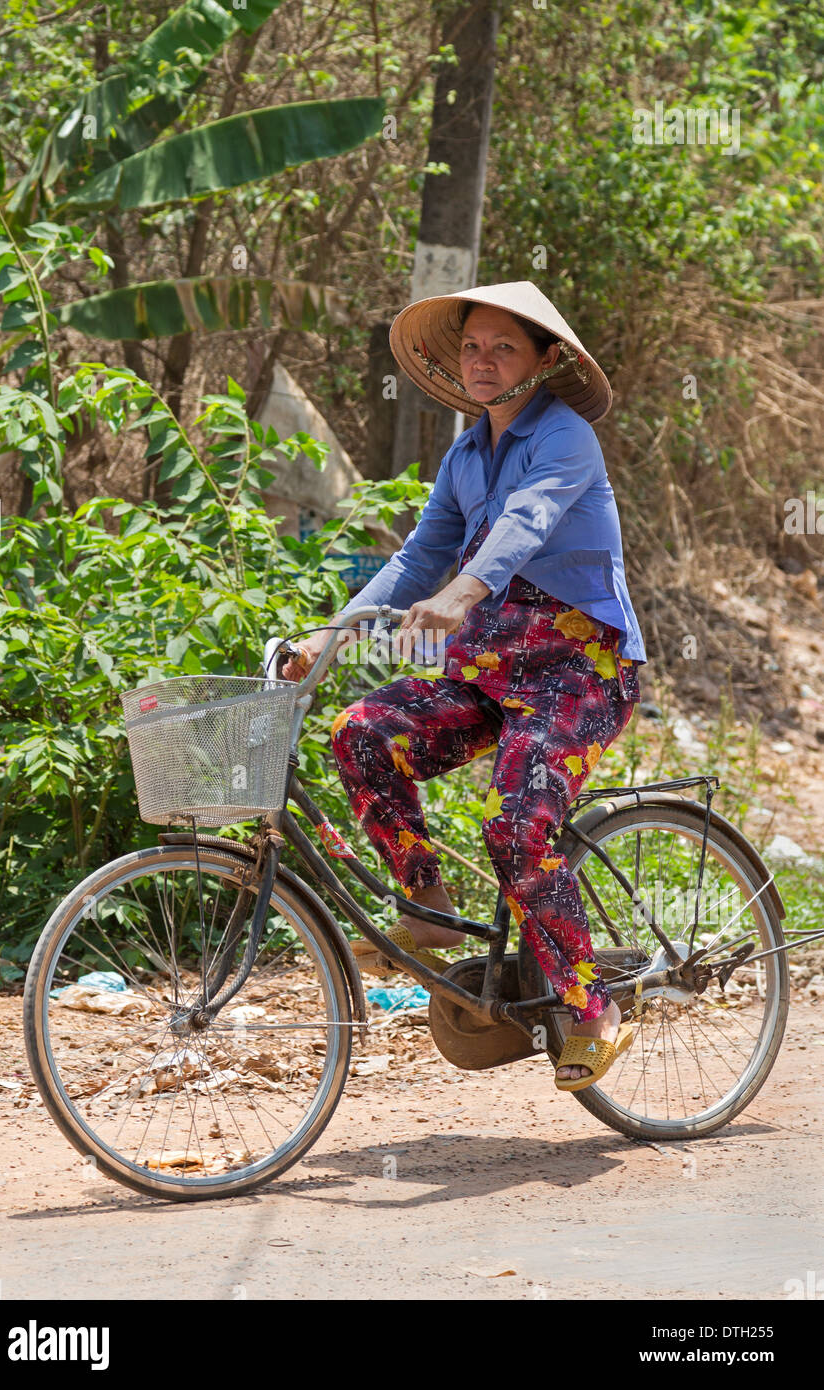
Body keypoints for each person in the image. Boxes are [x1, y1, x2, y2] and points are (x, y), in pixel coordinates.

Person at [279, 281, 646, 1092]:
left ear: (546, 360)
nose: (482, 361)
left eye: (503, 347)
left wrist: (462, 593)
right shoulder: (464, 453)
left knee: (515, 820)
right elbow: (416, 559)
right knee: (364, 731)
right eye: (472, 347)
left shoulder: (567, 438)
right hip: (490, 672)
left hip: (577, 675)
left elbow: (525, 526)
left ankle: (591, 1008)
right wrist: (330, 636)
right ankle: (429, 907)